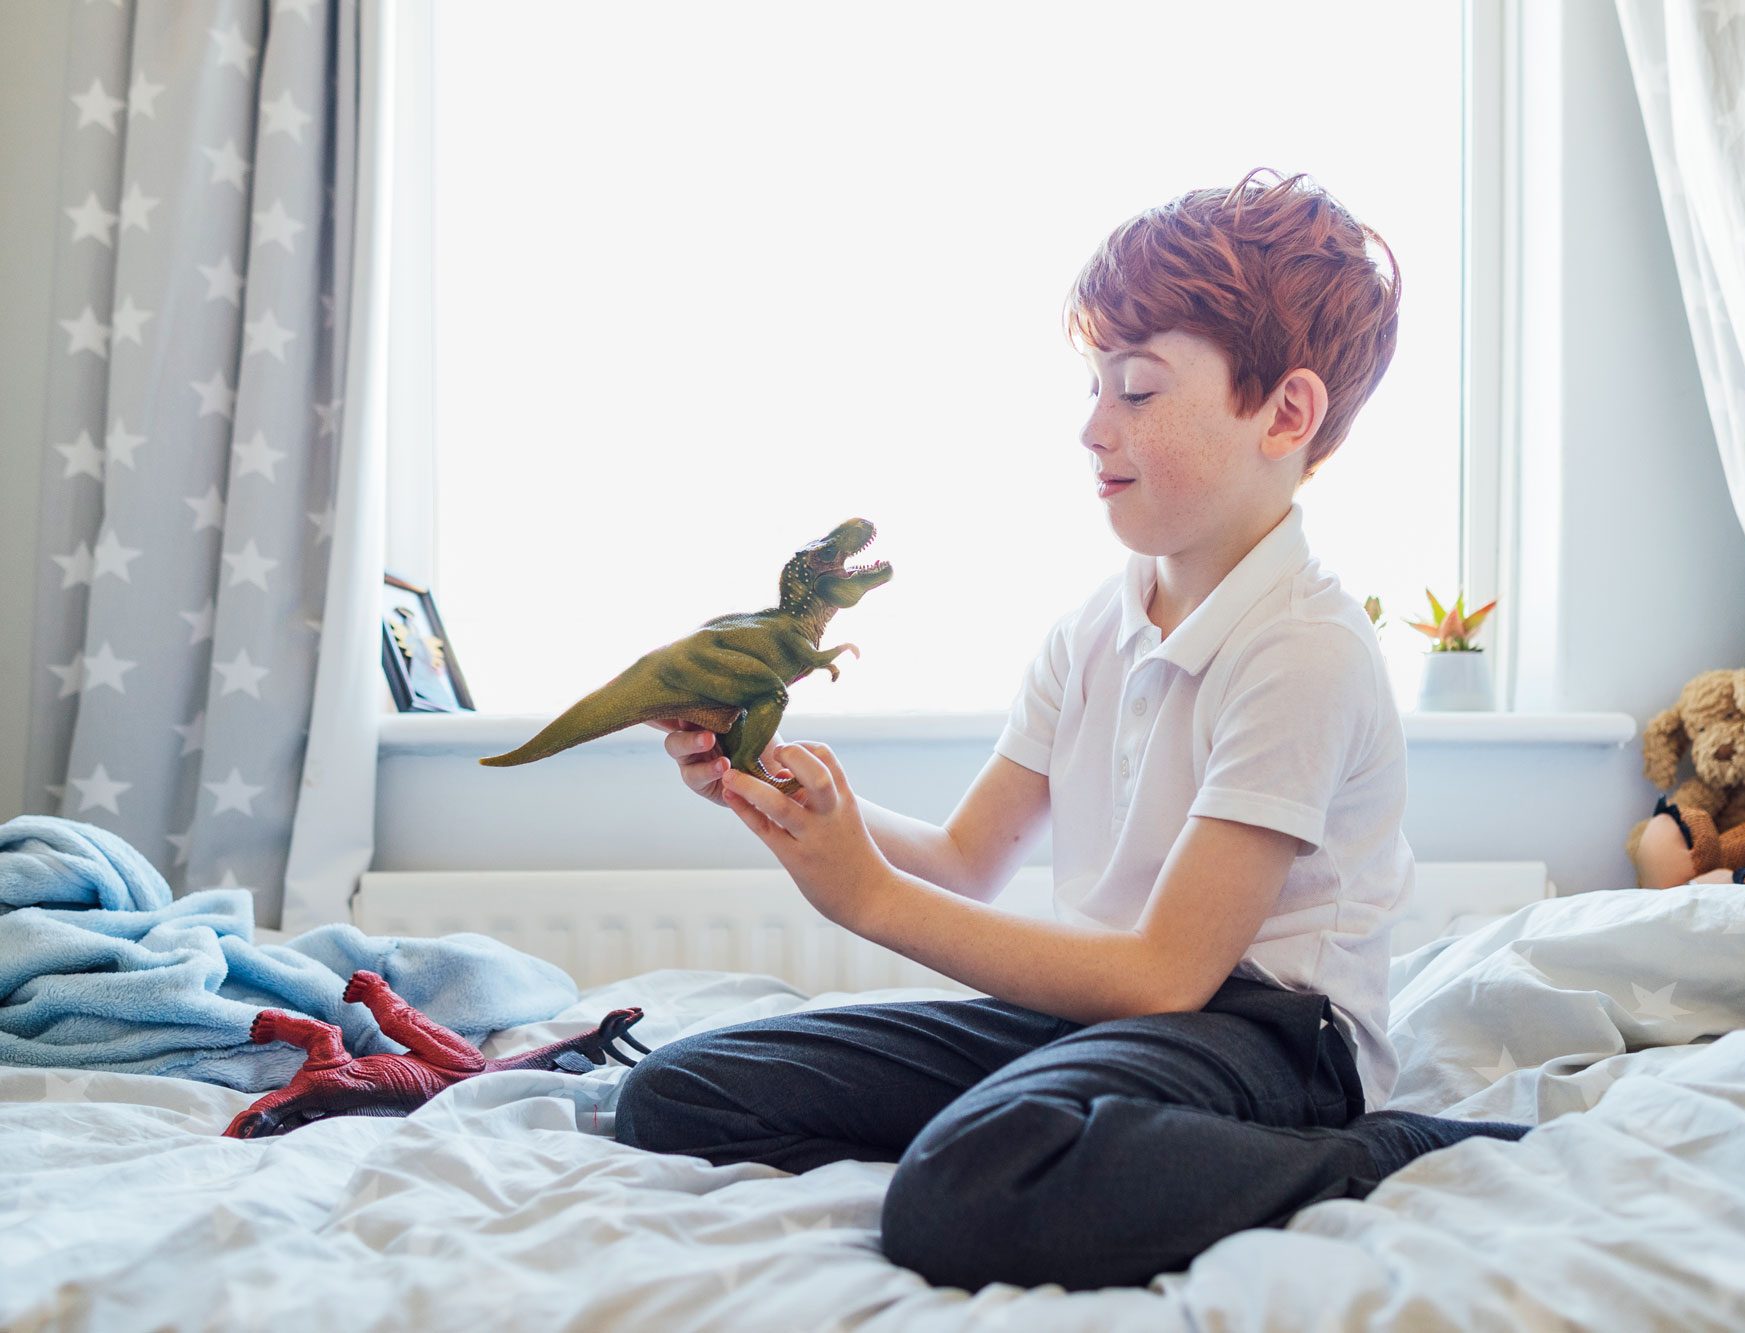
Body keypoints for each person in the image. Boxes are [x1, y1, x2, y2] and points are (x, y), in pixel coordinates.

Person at [613, 167, 1531, 1292]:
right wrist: (772, 784)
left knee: (964, 1192)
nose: (1092, 425)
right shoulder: (1098, 621)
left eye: (1136, 389)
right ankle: (1063, 1131)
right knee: (674, 1092)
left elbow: (1166, 975)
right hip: (1101, 1008)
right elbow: (967, 859)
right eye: (1094, 383)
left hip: (1266, 1035)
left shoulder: (1305, 647)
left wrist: (864, 898)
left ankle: (1364, 1154)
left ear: (1283, 414)